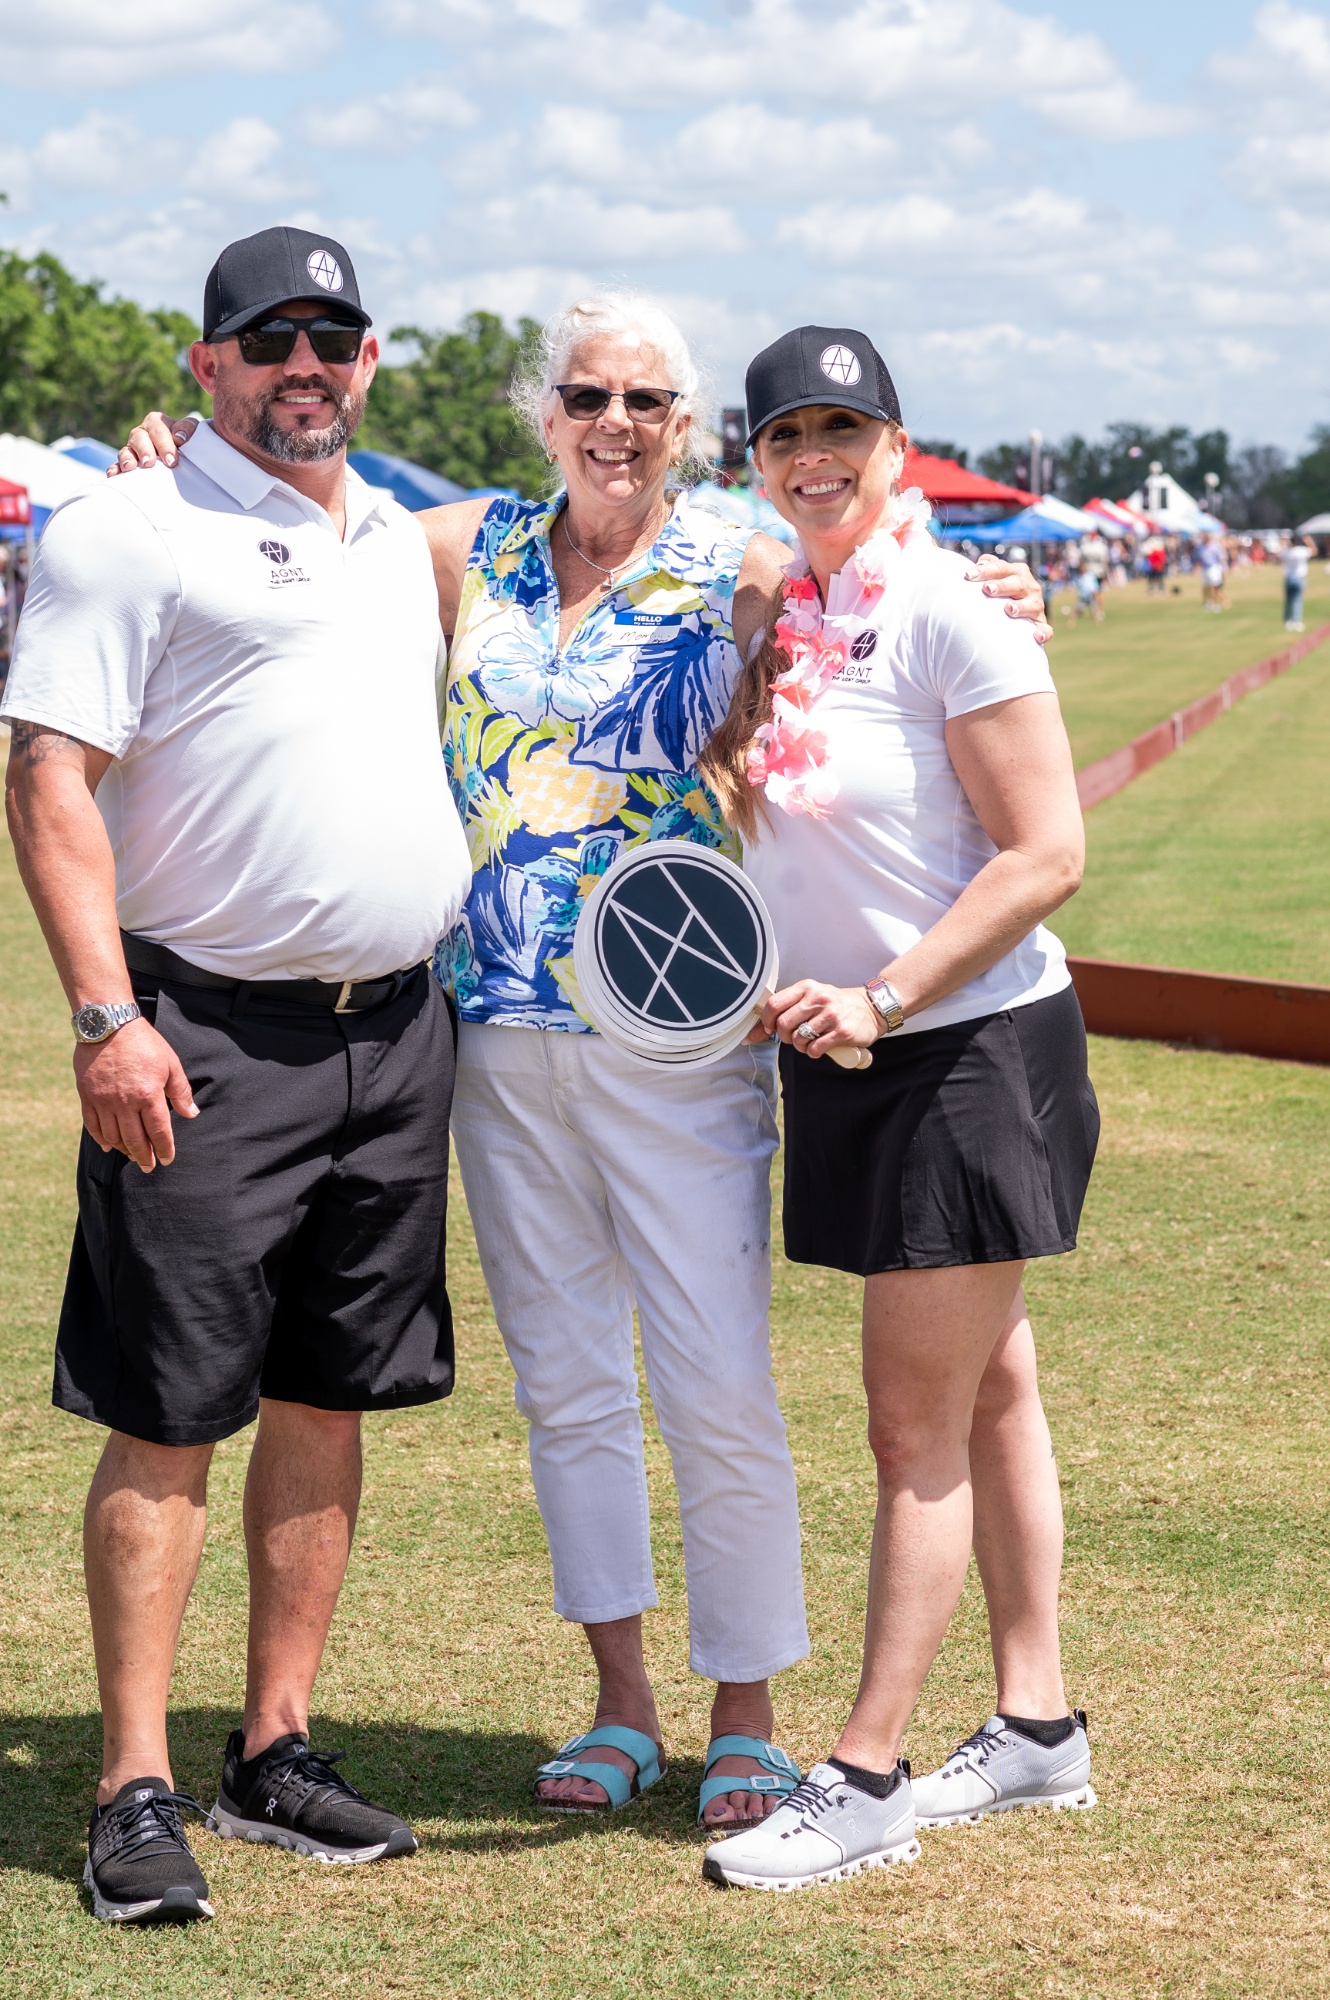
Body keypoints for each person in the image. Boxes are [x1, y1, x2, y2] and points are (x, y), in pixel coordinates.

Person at [117, 294, 1051, 1835]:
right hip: (491, 1027)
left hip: (674, 1034)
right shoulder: (451, 546)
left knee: (714, 1374)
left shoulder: (736, 566)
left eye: (646, 401)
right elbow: (273, 497)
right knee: (563, 1380)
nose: (615, 423)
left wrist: (990, 585)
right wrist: (168, 452)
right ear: (541, 413)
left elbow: (866, 566)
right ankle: (619, 1701)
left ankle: (743, 1708)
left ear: (685, 431)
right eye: (586, 395)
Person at [3, 226, 472, 1924]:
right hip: (199, 1037)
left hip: (396, 1032)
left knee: (326, 1397)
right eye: (269, 339)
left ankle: (272, 1747)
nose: (306, 365)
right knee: (166, 1413)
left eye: (333, 339)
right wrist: (101, 1018)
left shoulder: (390, 539)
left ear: (367, 362)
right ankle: (131, 1784)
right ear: (205, 365)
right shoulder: (127, 528)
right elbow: (49, 782)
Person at [696, 324, 1098, 1892]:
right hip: (853, 1057)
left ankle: (861, 1776)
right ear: (758, 454)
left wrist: (881, 994)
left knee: (909, 1422)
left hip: (962, 1050)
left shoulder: (948, 606)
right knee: (987, 1392)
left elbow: (1045, 852)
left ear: (894, 441)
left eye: (843, 431)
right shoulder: (782, 606)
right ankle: (1035, 1728)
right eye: (788, 432)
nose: (817, 457)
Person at [1282, 534, 1313, 630]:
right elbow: (1314, 551)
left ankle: (1288, 621)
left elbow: (1279, 553)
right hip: (1299, 578)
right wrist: (1309, 541)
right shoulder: (1301, 551)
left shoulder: (1286, 552)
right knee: (1297, 600)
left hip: (1288, 578)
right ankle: (1297, 621)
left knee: (1288, 601)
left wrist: (1283, 542)